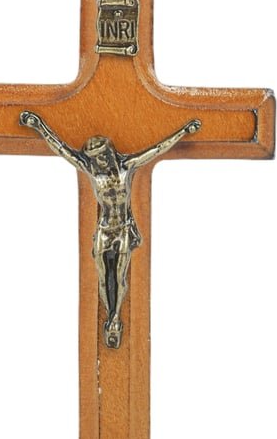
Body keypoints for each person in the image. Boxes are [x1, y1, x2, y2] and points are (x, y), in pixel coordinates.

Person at [19, 110, 200, 348]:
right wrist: (39, 126)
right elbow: (62, 150)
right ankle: (111, 315)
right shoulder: (93, 172)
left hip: (122, 228)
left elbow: (157, 149)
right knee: (104, 279)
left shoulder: (127, 168)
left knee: (120, 277)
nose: (100, 161)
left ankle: (114, 319)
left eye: (102, 156)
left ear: (109, 152)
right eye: (95, 157)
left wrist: (184, 132)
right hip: (104, 230)